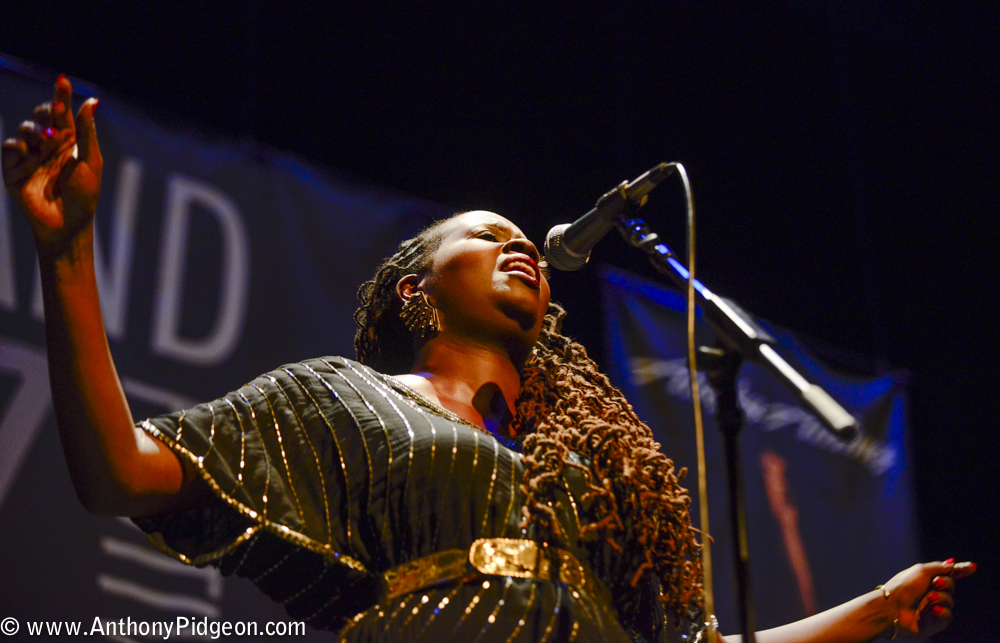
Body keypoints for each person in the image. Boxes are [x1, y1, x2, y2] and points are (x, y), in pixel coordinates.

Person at [3, 76, 975, 642]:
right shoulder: (346, 400)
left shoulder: (595, 475)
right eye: (482, 233)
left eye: (523, 240)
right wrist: (66, 252)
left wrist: (874, 611)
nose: (517, 243)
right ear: (413, 291)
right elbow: (120, 471)